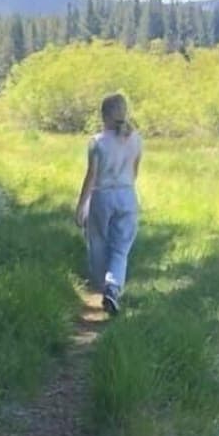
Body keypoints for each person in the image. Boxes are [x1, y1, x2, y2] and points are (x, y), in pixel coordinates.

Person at [75, 93, 142, 315]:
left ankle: (101, 285)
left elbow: (91, 176)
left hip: (102, 196)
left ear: (103, 115)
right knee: (121, 249)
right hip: (127, 195)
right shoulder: (136, 139)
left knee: (98, 244)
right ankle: (113, 288)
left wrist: (81, 206)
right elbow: (134, 173)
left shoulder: (97, 143)